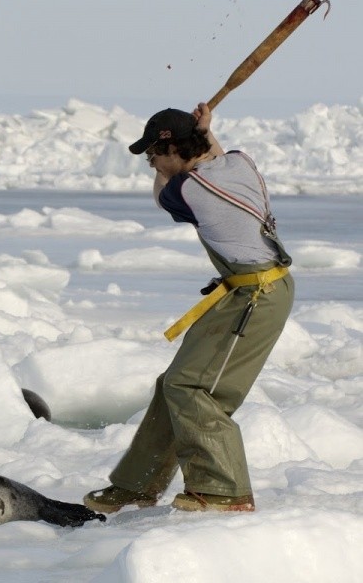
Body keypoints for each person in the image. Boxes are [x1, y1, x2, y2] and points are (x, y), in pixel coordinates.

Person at [83, 102, 294, 513]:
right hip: (247, 290)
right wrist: (204, 133)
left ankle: (223, 490)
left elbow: (164, 192)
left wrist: (170, 162)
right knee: (174, 382)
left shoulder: (190, 190)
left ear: (172, 148)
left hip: (256, 297)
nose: (151, 164)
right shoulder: (238, 163)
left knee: (194, 388)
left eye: (153, 155)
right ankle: (138, 484)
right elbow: (212, 155)